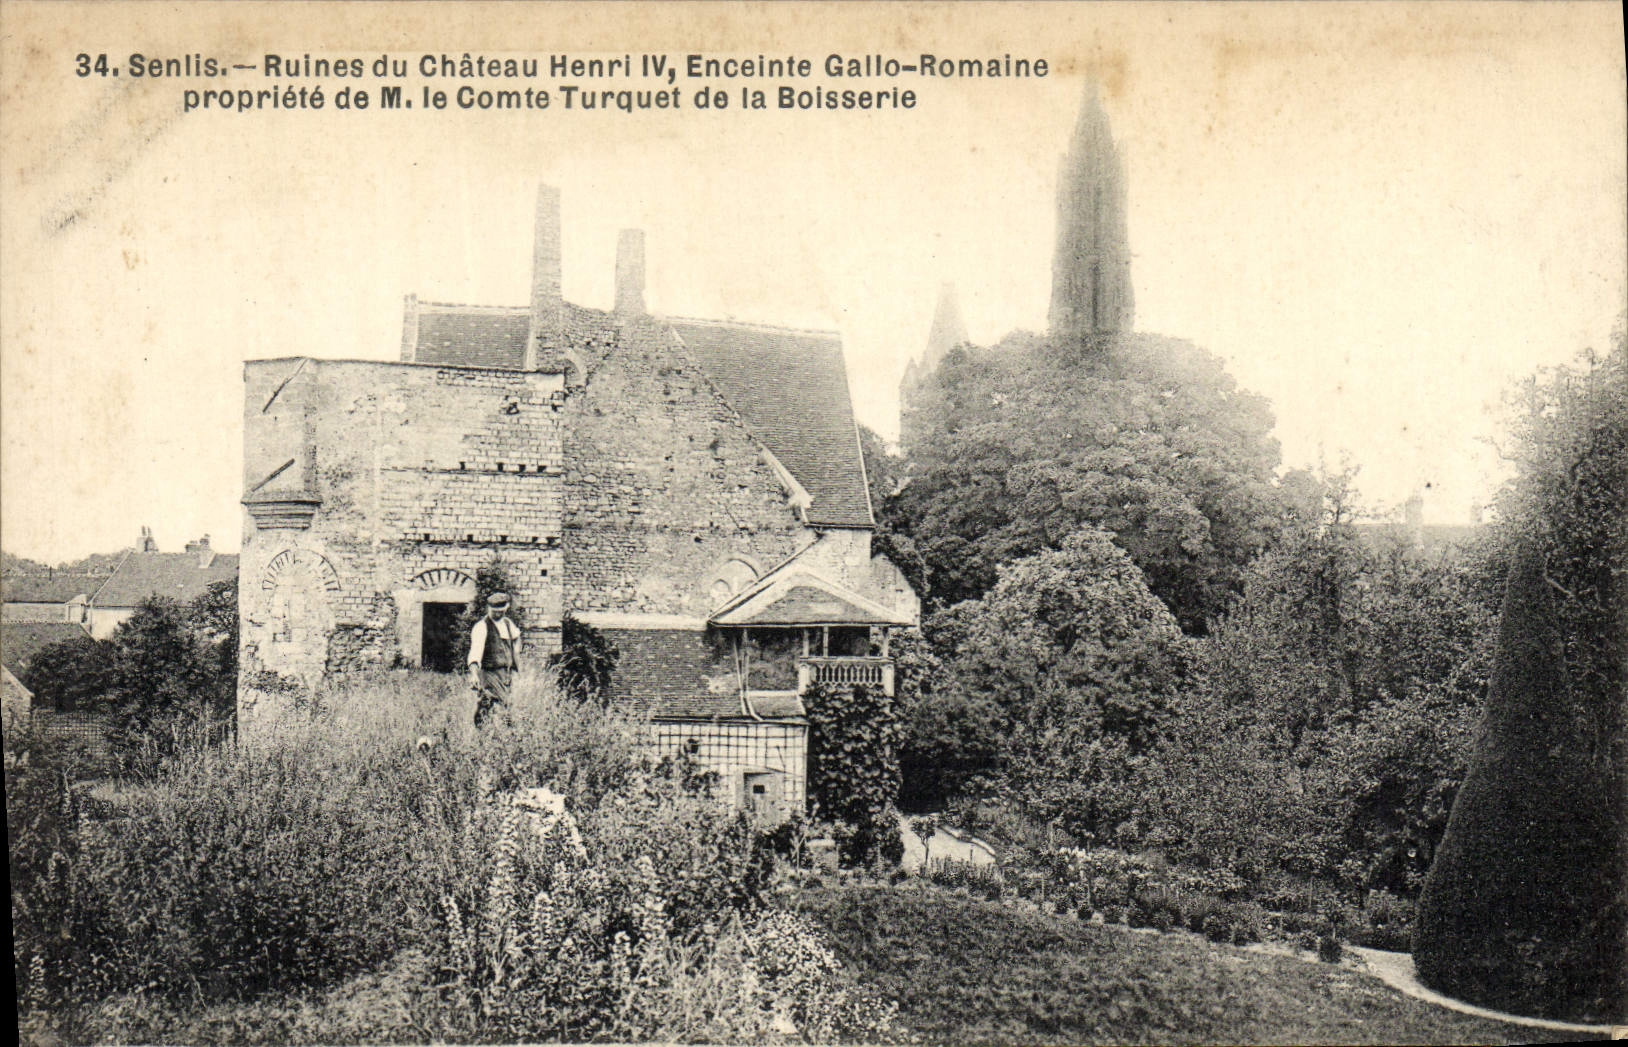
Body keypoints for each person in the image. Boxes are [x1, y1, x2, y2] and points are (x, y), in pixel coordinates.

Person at [468, 591, 522, 727]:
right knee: (505, 705)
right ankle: (507, 733)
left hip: (506, 674)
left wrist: (516, 656)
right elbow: (475, 654)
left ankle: (485, 732)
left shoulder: (508, 624)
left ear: (506, 608)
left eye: (501, 611)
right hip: (489, 673)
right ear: (488, 608)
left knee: (491, 705)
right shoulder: (482, 627)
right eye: (495, 611)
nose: (498, 614)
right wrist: (474, 675)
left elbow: (516, 639)